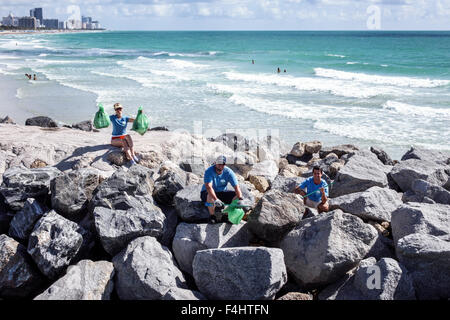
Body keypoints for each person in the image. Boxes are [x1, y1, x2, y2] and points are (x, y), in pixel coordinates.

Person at [201, 155, 244, 224]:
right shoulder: (209, 171)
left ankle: (226, 215)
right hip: (207, 192)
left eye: (222, 164)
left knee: (236, 196)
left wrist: (240, 199)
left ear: (225, 164)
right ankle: (212, 216)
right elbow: (209, 187)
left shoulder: (229, 172)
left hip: (221, 192)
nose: (220, 166)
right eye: (219, 164)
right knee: (210, 196)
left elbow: (237, 187)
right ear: (215, 163)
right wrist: (216, 200)